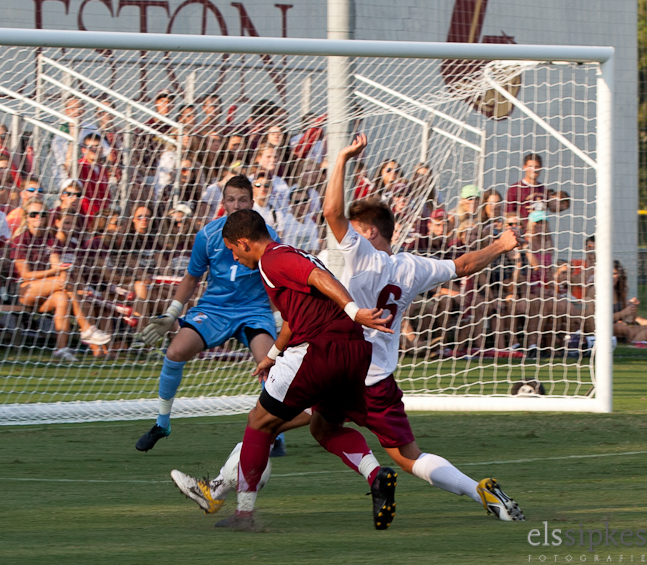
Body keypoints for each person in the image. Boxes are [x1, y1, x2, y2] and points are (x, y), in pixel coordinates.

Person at [172, 136, 526, 525]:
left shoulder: (355, 254)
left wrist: (340, 159)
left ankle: (223, 494)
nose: (347, 234)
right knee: (403, 453)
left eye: (356, 227)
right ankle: (478, 491)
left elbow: (330, 213)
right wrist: (500, 245)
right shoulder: (413, 267)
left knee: (265, 422)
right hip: (377, 377)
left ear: (370, 232)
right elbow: (463, 265)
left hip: (334, 359)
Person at [192, 207, 394, 531]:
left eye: (231, 250)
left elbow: (319, 278)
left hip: (320, 349)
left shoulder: (273, 258)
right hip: (352, 351)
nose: (233, 257)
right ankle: (375, 473)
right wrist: (272, 354)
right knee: (323, 429)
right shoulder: (284, 257)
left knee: (259, 423)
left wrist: (355, 311)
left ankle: (244, 515)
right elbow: (291, 319)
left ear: (244, 243)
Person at [134, 175, 283, 453]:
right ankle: (162, 423)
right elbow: (192, 278)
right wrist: (172, 313)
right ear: (223, 202)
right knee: (176, 352)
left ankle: (274, 431)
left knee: (268, 365)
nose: (236, 205)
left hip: (254, 311)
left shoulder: (269, 236)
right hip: (214, 309)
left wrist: (279, 317)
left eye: (242, 199)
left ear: (252, 202)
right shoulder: (208, 235)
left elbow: (275, 279)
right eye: (230, 199)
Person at [11, 202, 111, 362]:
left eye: (42, 214)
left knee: (63, 298)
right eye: (33, 214)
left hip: (52, 289)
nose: (38, 217)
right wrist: (55, 272)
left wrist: (63, 273)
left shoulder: (50, 239)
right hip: (27, 289)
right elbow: (26, 274)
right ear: (26, 217)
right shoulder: (22, 239)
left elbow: (57, 264)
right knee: (63, 282)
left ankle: (61, 349)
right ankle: (86, 329)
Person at [506, 153, 545, 222]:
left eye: (536, 166)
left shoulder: (542, 189)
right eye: (530, 166)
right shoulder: (515, 189)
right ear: (524, 167)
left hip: (540, 230)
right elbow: (509, 214)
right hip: (522, 231)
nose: (533, 169)